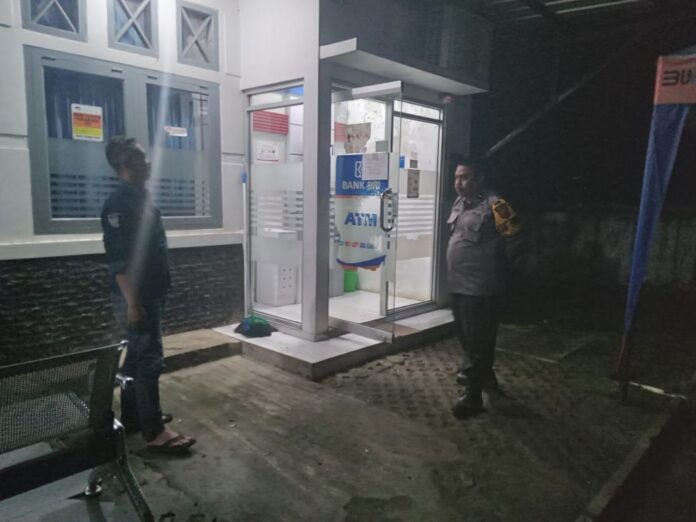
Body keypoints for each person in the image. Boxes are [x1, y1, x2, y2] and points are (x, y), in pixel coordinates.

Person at [101, 136, 196, 452]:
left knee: (135, 360)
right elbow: (118, 260)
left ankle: (135, 418)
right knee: (149, 360)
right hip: (136, 296)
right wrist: (133, 303)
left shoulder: (142, 197)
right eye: (142, 158)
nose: (148, 162)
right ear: (127, 164)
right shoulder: (119, 204)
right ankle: (155, 432)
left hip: (150, 292)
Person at [446, 160, 521, 419]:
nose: (459, 182)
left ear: (480, 178)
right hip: (459, 285)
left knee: (477, 340)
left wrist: (504, 274)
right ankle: (484, 375)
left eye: (465, 177)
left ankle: (472, 396)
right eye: (457, 177)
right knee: (467, 337)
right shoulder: (460, 203)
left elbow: (516, 240)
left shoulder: (497, 205)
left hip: (481, 288)